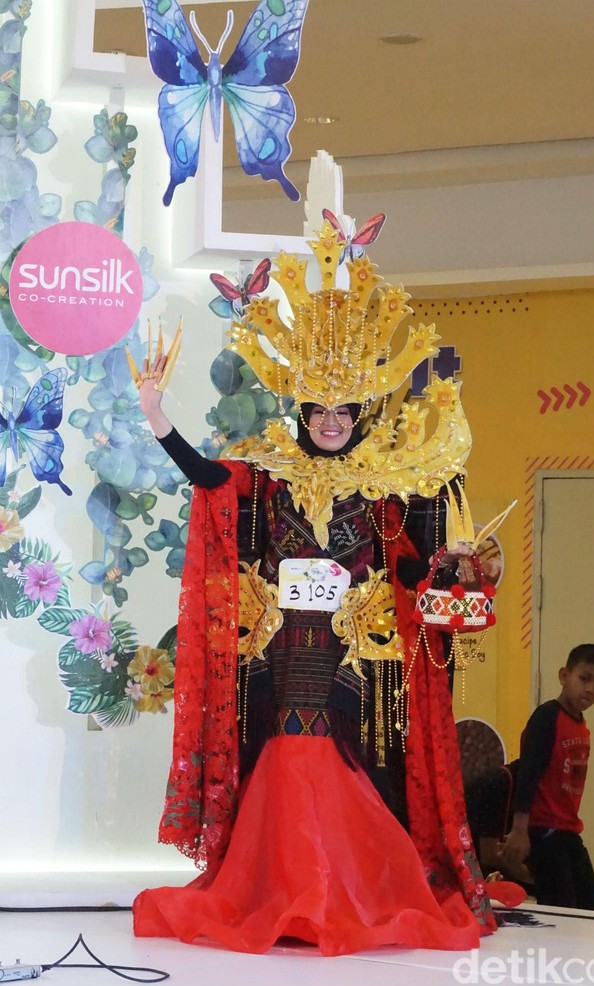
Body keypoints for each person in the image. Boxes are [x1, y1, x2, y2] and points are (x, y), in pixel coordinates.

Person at [131, 221, 500, 955]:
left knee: (348, 762)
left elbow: (408, 571)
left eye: (342, 412)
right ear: (301, 414)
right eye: (317, 411)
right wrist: (158, 420)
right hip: (278, 647)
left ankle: (350, 889)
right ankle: (281, 890)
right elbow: (208, 482)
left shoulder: (388, 486)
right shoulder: (266, 476)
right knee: (284, 755)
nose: (330, 423)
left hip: (355, 656)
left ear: (358, 416)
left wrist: (453, 569)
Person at [500, 643, 594, 910]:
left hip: (568, 831)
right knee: (560, 911)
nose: (590, 689)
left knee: (591, 909)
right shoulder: (547, 717)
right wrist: (519, 831)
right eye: (584, 679)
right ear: (564, 676)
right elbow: (527, 775)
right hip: (545, 832)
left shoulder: (580, 724)